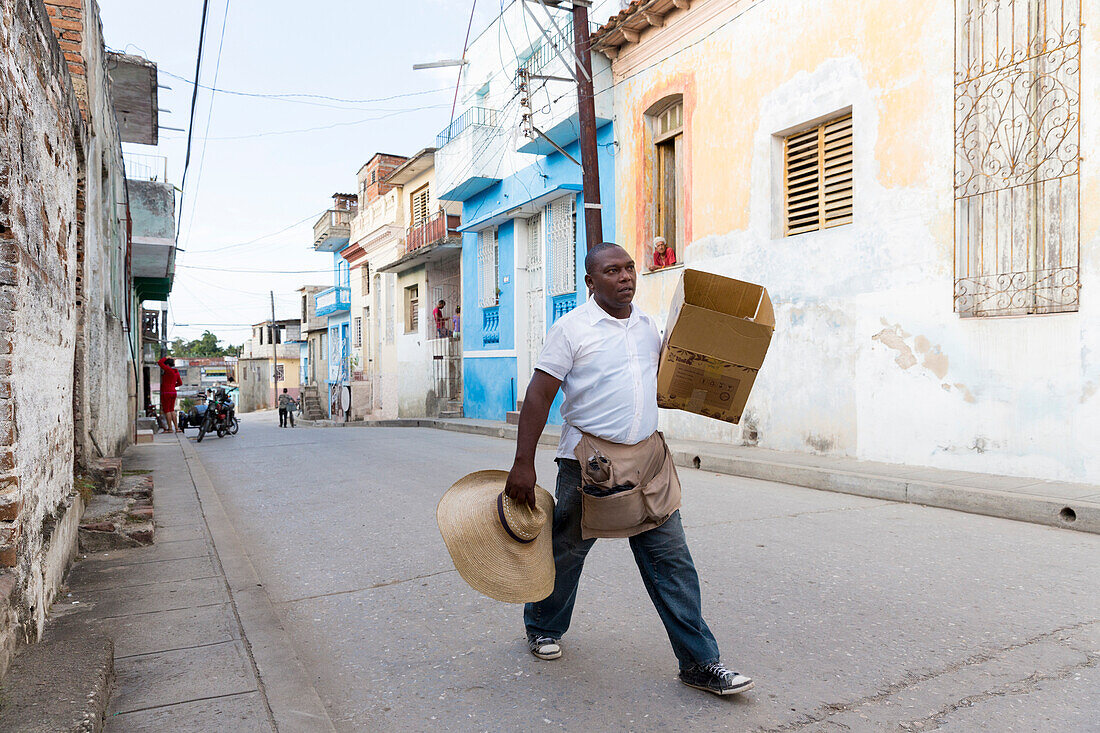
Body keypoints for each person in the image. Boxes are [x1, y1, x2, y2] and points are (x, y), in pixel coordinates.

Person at [504, 242, 753, 697]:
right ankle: (542, 625)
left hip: (648, 463)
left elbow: (667, 379)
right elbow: (539, 395)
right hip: (589, 464)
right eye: (612, 270)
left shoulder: (648, 325)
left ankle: (700, 663)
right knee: (567, 553)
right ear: (590, 281)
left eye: (630, 268)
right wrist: (523, 464)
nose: (625, 277)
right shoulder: (571, 329)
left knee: (671, 561)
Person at [157, 356, 183, 434]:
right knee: (172, 410)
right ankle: (176, 428)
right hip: (173, 392)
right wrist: (172, 386)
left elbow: (159, 363)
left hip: (166, 392)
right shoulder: (176, 372)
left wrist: (166, 357)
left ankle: (170, 428)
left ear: (167, 364)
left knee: (167, 410)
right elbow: (180, 383)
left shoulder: (168, 370)